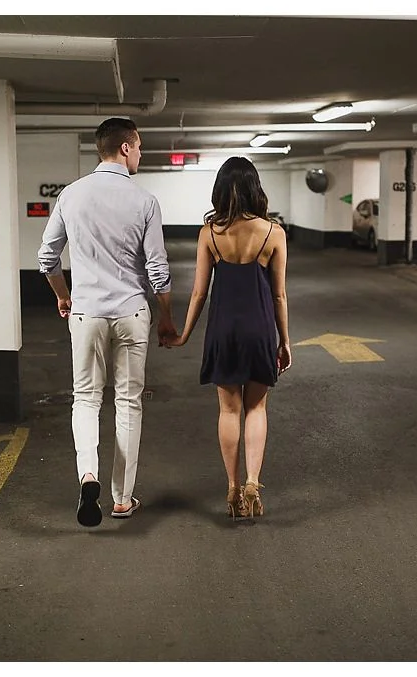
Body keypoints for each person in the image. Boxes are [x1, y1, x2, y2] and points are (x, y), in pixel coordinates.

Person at [37, 117, 176, 528]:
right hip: (132, 313)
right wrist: (166, 317)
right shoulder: (145, 201)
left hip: (86, 313)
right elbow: (158, 270)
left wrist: (64, 295)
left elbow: (46, 258)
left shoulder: (71, 196)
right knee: (128, 405)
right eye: (139, 148)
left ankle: (88, 475)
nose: (140, 155)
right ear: (127, 148)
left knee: (86, 400)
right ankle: (121, 498)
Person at [164, 157, 291, 520]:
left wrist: (184, 335)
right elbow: (279, 295)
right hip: (260, 328)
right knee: (256, 408)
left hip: (224, 329)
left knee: (229, 410)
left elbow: (199, 293)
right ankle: (254, 481)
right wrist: (284, 341)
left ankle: (233, 487)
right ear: (256, 188)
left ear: (220, 190)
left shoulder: (209, 233)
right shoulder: (273, 233)